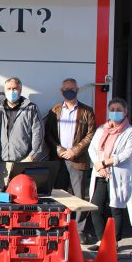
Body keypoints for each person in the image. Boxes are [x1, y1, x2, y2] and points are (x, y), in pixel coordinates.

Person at [45, 78, 96, 243]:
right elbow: (49, 134)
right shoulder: (55, 110)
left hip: (77, 159)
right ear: (61, 91)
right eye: (66, 89)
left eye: (72, 89)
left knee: (79, 196)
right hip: (59, 159)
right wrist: (59, 149)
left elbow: (91, 134)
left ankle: (79, 230)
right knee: (59, 194)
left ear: (77, 90)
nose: (69, 91)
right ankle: (59, 226)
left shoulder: (87, 111)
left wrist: (75, 150)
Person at [87, 98, 132, 251]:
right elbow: (92, 149)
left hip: (117, 172)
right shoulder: (102, 129)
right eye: (112, 109)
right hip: (101, 173)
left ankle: (114, 242)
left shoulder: (130, 131)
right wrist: (98, 165)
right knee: (96, 207)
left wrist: (105, 163)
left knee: (116, 208)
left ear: (125, 112)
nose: (115, 112)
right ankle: (102, 240)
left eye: (118, 109)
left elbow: (127, 154)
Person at [0, 77, 43, 188]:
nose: (12, 91)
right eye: (9, 89)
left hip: (22, 162)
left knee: (20, 198)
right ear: (4, 90)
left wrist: (33, 156)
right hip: (1, 164)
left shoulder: (31, 108)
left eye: (15, 88)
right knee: (2, 200)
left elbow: (38, 133)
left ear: (20, 90)